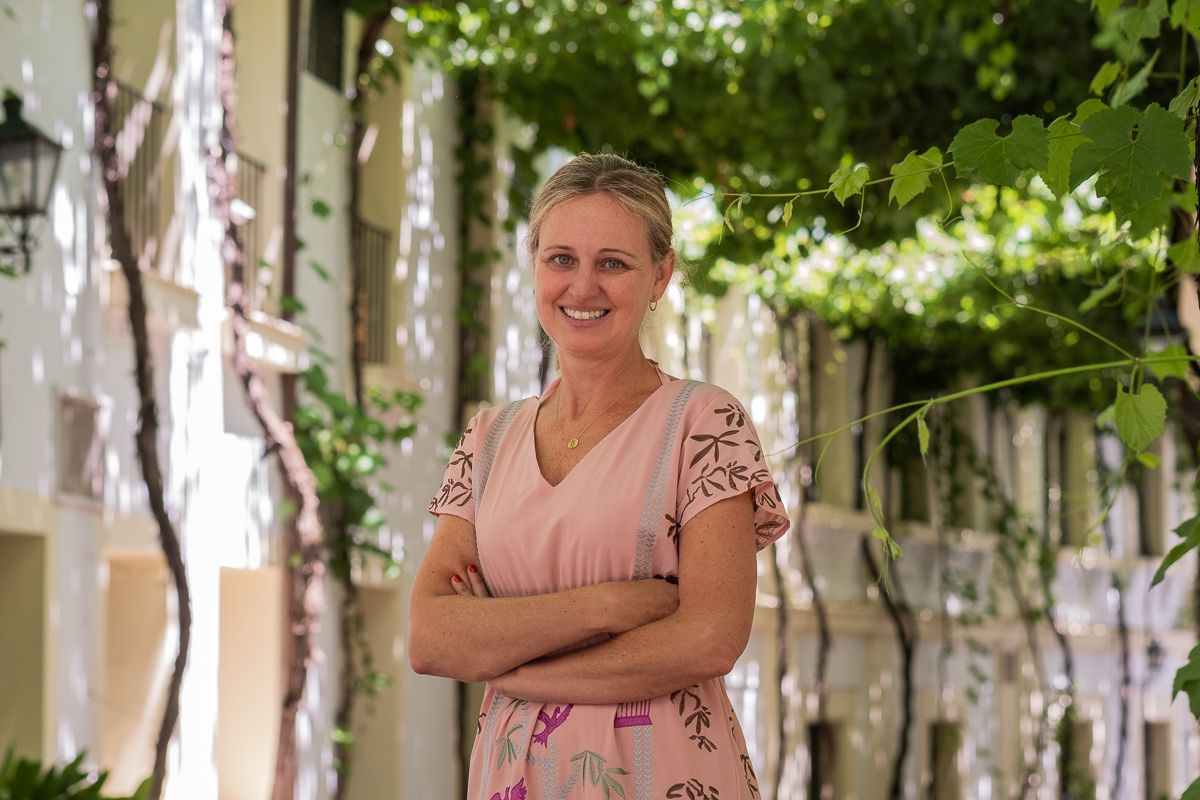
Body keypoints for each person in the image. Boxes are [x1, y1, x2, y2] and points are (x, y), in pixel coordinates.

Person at [409, 153, 789, 800]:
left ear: (660, 275)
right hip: (514, 778)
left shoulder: (704, 423)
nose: (582, 286)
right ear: (534, 265)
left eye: (612, 263)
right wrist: (606, 606)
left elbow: (707, 640)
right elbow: (431, 638)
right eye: (561, 259)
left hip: (665, 774)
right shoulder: (488, 439)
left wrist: (510, 662)